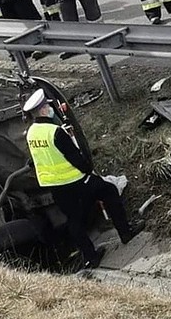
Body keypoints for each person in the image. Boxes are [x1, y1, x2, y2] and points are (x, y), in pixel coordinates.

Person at [23, 89, 144, 269]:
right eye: (47, 106)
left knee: (74, 220)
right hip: (76, 180)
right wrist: (87, 168)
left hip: (55, 186)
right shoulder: (55, 132)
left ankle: (91, 258)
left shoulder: (31, 133)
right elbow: (75, 157)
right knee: (109, 191)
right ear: (42, 110)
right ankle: (125, 232)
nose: (50, 108)